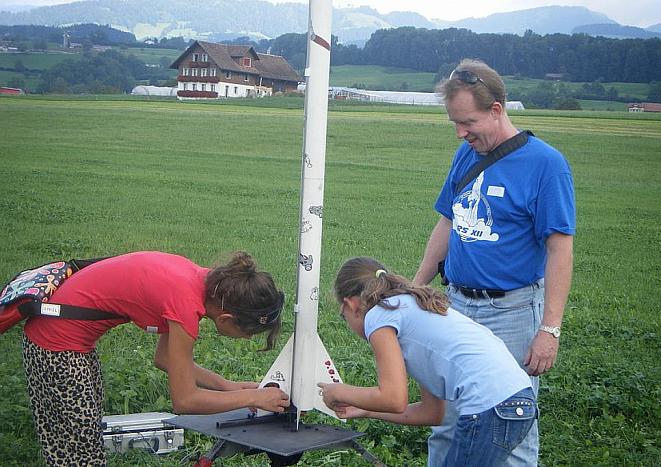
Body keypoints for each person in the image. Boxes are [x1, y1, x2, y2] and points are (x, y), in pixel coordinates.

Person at [414, 58, 576, 466]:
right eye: (454, 122)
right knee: (446, 421)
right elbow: (448, 221)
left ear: (497, 110)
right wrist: (416, 286)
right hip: (456, 308)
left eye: (467, 122)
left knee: (511, 428)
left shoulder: (546, 165)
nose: (460, 132)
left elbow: (560, 249)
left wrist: (550, 329)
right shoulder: (465, 155)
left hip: (513, 313)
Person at [21, 250, 290, 466]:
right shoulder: (185, 307)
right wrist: (252, 398)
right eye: (247, 333)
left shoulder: (198, 281)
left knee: (77, 431)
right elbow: (185, 401)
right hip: (57, 344)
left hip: (57, 333)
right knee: (81, 447)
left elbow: (163, 358)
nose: (245, 339)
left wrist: (226, 386)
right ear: (226, 318)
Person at [319, 257, 537, 466]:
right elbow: (432, 413)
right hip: (517, 399)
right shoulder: (413, 308)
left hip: (489, 407)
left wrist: (339, 392)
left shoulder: (379, 315)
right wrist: (365, 410)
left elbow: (393, 398)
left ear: (351, 304)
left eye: (343, 315)